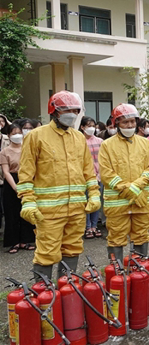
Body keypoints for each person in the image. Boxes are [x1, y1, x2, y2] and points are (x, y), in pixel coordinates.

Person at [18, 91, 101, 279]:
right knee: (47, 253)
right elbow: (25, 174)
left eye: (74, 110)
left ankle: (67, 290)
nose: (71, 113)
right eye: (66, 109)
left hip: (76, 210)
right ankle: (43, 295)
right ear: (54, 111)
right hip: (48, 211)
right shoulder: (36, 136)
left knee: (72, 249)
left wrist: (94, 194)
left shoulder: (79, 138)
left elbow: (88, 171)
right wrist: (28, 202)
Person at [99, 104, 149, 262]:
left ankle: (140, 272)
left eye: (132, 121)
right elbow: (107, 173)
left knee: (141, 236)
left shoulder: (145, 143)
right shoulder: (107, 145)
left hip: (141, 204)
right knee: (116, 238)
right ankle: (116, 272)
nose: (130, 125)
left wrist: (135, 187)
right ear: (116, 123)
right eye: (125, 122)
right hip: (117, 205)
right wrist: (130, 190)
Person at [2, 124, 35, 253]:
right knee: (12, 213)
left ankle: (26, 240)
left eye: (19, 132)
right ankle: (13, 242)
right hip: (12, 183)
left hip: (28, 180)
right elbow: (6, 172)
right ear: (9, 136)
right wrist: (16, 188)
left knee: (27, 211)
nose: (17, 135)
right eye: (14, 133)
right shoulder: (5, 152)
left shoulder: (27, 148)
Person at [80, 117, 104, 239]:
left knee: (96, 202)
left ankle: (94, 226)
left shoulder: (100, 141)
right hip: (84, 177)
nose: (91, 128)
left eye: (93, 125)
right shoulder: (79, 141)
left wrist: (99, 174)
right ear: (82, 127)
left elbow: (102, 159)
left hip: (98, 176)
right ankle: (87, 226)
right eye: (88, 125)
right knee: (85, 201)